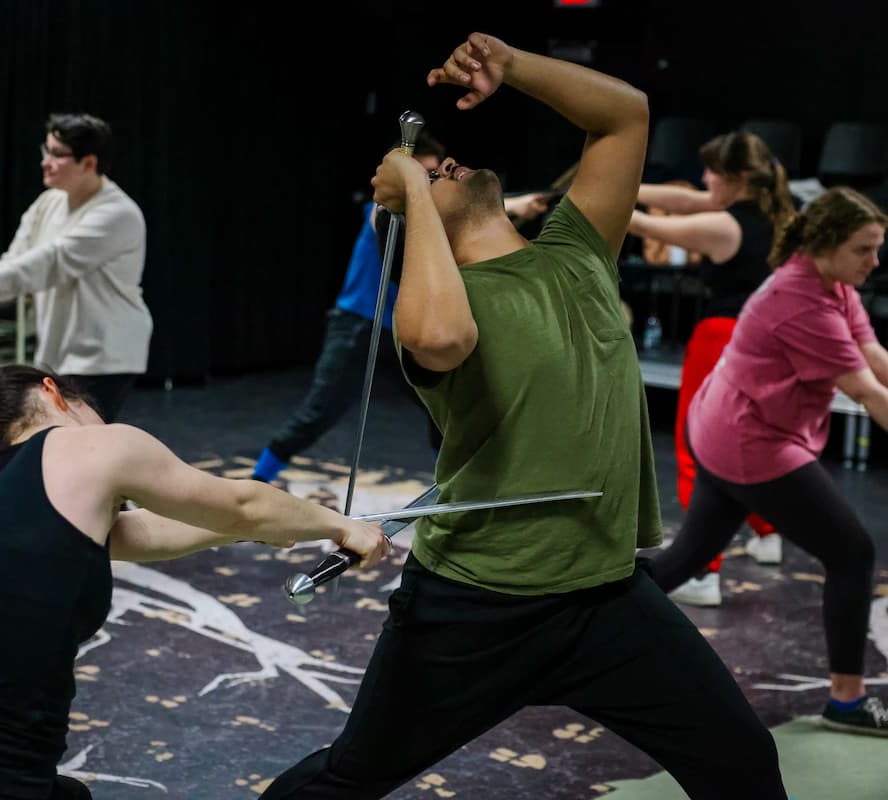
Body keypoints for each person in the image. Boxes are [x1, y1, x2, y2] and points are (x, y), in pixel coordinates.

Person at [260, 32, 786, 799]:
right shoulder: (434, 310)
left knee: (741, 763)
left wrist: (512, 68)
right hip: (475, 606)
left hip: (603, 595)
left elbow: (625, 118)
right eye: (433, 175)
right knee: (348, 778)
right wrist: (410, 193)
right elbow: (442, 336)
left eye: (441, 162)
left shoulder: (574, 248)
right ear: (412, 229)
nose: (445, 164)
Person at [0, 365, 389, 799]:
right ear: (54, 393)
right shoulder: (87, 448)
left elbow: (149, 531)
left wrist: (244, 532)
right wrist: (342, 525)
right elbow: (243, 501)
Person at [650, 186, 888, 736]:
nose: (875, 262)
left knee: (680, 563)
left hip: (726, 424)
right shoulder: (800, 299)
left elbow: (873, 356)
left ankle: (576, 624)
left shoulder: (832, 282)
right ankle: (847, 701)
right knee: (853, 553)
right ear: (827, 243)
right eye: (865, 249)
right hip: (749, 439)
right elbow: (868, 392)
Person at [251, 132, 550, 483]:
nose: (430, 185)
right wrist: (514, 205)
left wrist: (509, 206)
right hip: (360, 325)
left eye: (434, 177)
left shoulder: (435, 224)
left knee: (443, 410)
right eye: (423, 176)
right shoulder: (383, 209)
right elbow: (406, 206)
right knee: (319, 413)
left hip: (407, 331)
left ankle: (449, 486)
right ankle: (258, 481)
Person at [628, 131, 796, 606]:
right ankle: (767, 534)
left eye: (713, 172)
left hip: (724, 336)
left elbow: (645, 225)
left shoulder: (725, 226)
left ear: (738, 179)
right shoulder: (774, 211)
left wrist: (599, 193)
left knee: (696, 444)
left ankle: (702, 571)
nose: (704, 179)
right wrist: (629, 182)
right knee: (751, 440)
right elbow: (685, 198)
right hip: (767, 337)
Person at [0, 113, 151, 423]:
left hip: (103, 358)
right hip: (58, 356)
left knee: (78, 451)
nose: (45, 161)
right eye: (45, 150)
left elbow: (51, 260)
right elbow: (15, 264)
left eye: (57, 155)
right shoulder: (48, 203)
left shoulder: (117, 213)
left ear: (89, 163)